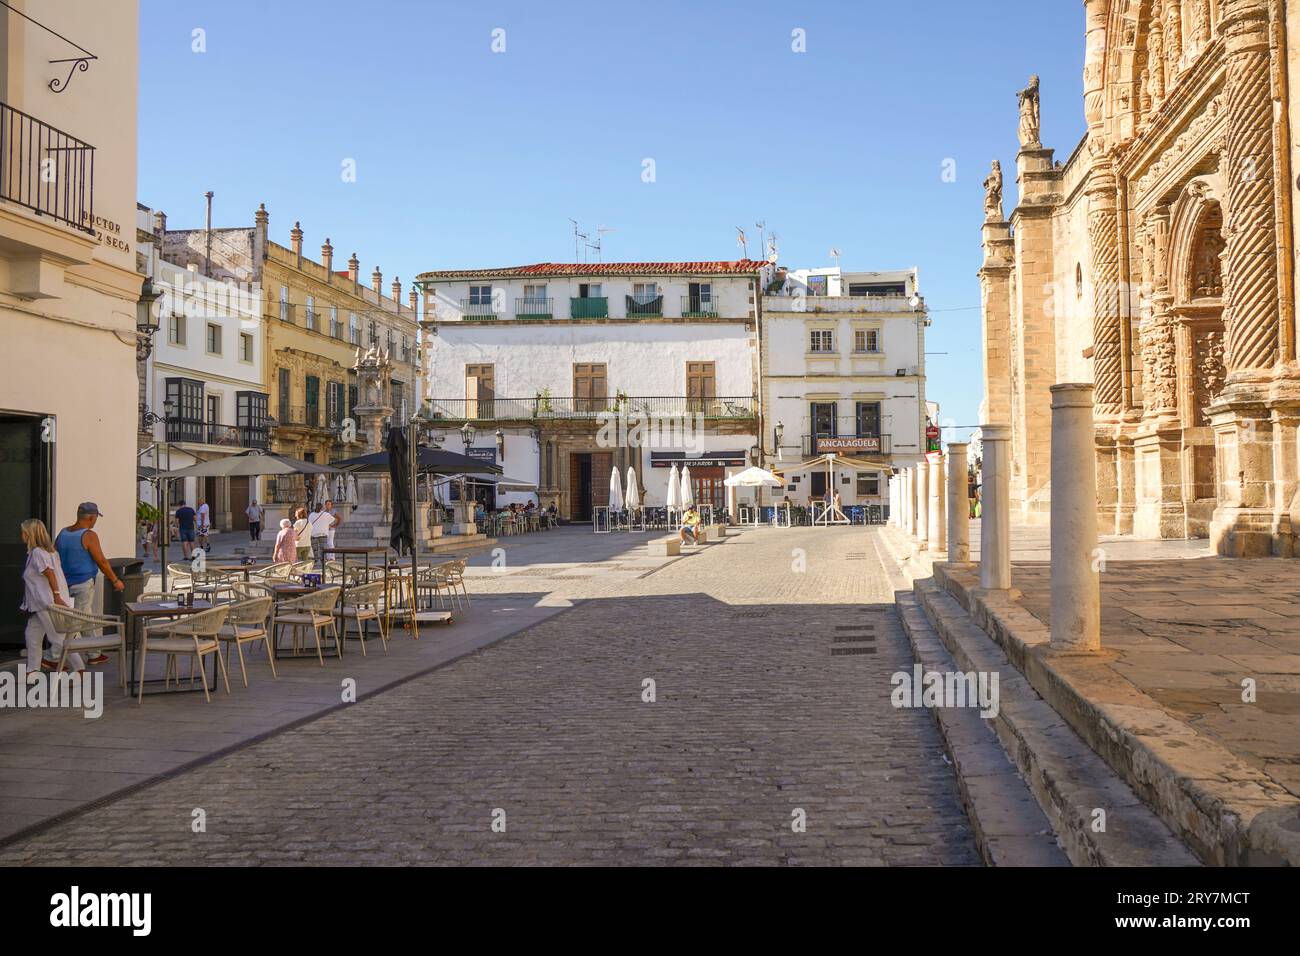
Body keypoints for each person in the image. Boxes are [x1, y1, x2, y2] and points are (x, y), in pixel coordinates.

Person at [54, 503, 124, 667]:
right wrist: (115, 580)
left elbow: (54, 555)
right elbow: (101, 561)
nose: (95, 522)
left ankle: (94, 653)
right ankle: (55, 655)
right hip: (83, 583)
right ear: (91, 517)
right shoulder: (89, 535)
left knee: (85, 617)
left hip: (65, 582)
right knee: (78, 620)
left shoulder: (63, 533)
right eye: (95, 518)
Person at [21, 518, 80, 671]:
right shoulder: (50, 552)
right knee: (32, 636)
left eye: (23, 532)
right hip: (40, 605)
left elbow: (50, 574)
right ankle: (32, 671)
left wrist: (56, 596)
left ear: (30, 534)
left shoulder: (37, 553)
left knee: (57, 638)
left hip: (46, 604)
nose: (21, 535)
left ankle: (80, 669)